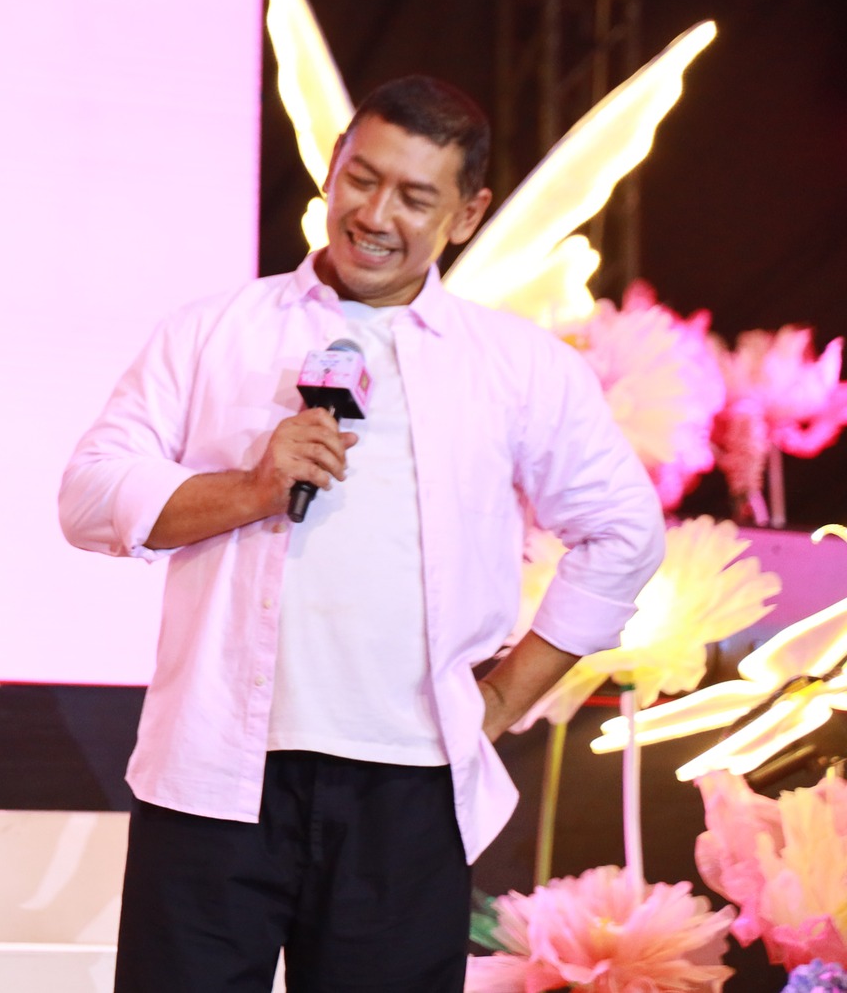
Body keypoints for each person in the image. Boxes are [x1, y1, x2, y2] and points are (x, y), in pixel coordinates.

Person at [58, 76, 663, 993]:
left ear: (467, 214)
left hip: (409, 789)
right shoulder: (212, 333)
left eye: (415, 197)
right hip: (213, 775)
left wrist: (504, 698)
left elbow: (624, 533)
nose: (375, 216)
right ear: (332, 170)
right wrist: (251, 489)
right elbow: (89, 494)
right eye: (362, 179)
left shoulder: (515, 367)